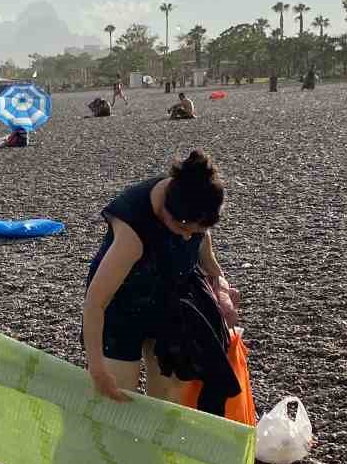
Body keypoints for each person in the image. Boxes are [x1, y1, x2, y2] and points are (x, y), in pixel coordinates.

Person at [82, 150, 237, 407]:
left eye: (196, 231)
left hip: (168, 301)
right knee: (115, 397)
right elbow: (94, 303)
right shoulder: (132, 234)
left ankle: (156, 446)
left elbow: (206, 256)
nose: (188, 237)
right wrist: (96, 368)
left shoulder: (193, 200)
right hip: (120, 308)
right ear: (166, 212)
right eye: (183, 230)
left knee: (167, 401)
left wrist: (221, 287)